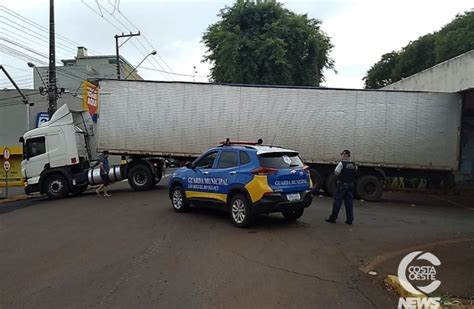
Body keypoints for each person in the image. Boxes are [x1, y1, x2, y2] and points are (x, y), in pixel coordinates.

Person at [326, 149, 357, 225]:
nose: (341, 156)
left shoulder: (341, 164)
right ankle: (350, 220)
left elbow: (336, 172)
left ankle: (333, 218)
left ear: (345, 155)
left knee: (337, 201)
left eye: (342, 155)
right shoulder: (354, 164)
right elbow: (355, 171)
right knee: (349, 203)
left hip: (342, 185)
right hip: (350, 185)